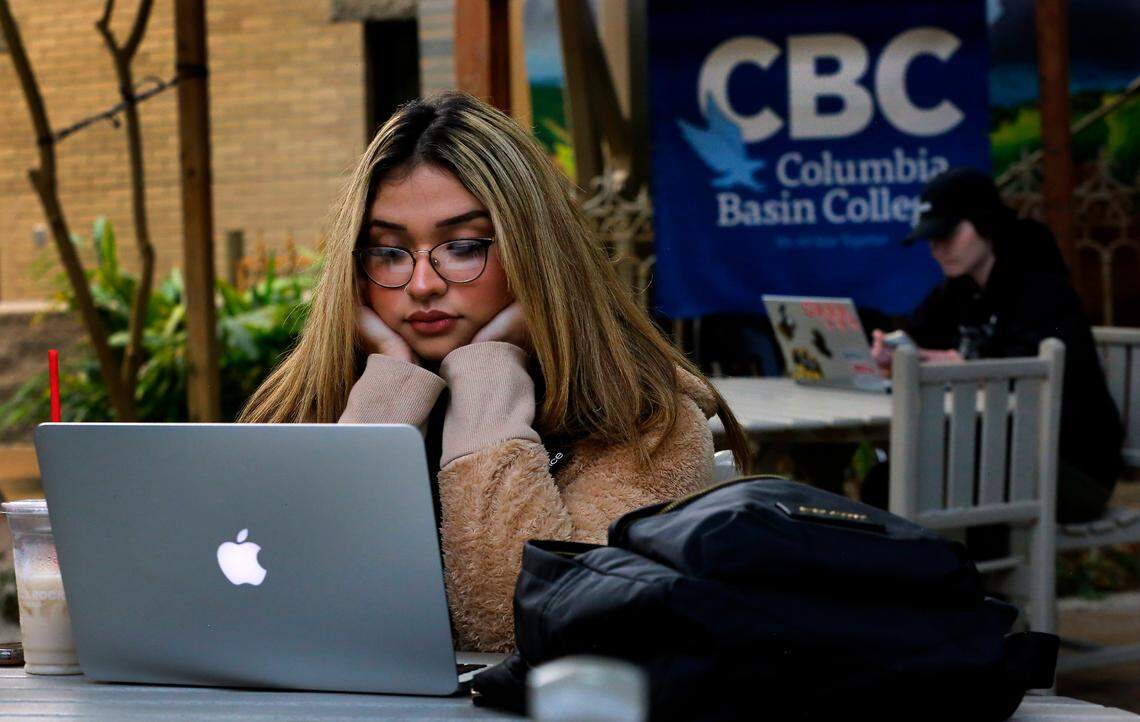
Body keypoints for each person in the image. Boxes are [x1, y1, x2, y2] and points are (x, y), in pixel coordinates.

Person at [238, 92, 751, 652]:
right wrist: (385, 401)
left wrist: (485, 385)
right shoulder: (310, 407)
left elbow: (520, 627)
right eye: (387, 252)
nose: (422, 284)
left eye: (461, 246)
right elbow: (276, 609)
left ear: (535, 252)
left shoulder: (643, 421)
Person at [869, 167, 1123, 523]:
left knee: (908, 482)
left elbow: (1033, 374)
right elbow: (917, 338)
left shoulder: (1040, 285)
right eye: (931, 238)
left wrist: (961, 366)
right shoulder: (958, 289)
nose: (938, 249)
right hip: (1000, 455)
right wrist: (892, 350)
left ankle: (949, 575)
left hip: (1068, 468)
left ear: (984, 222)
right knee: (888, 481)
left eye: (948, 234)